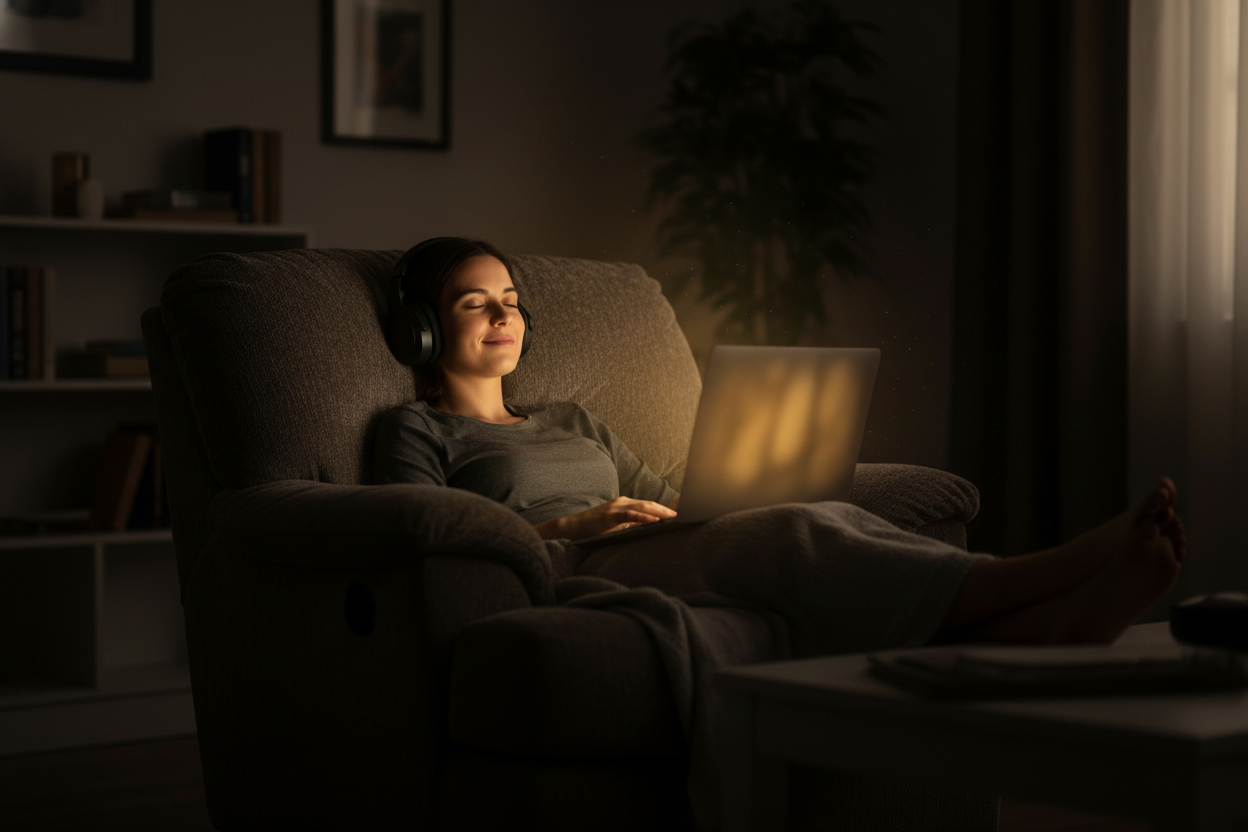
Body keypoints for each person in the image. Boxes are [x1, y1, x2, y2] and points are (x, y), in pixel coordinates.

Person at [373, 237, 1186, 650]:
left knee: (814, 514)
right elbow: (436, 539)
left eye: (510, 299)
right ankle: (1048, 574)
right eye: (476, 303)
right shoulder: (416, 429)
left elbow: (673, 497)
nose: (504, 316)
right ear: (422, 330)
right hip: (576, 567)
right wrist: (569, 530)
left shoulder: (572, 420)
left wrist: (739, 480)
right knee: (799, 533)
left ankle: (1037, 637)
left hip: (650, 542)